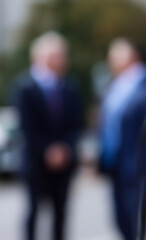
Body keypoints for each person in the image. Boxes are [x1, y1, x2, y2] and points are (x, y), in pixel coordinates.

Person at [15, 32, 84, 240]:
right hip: (36, 161)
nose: (61, 60)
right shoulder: (25, 87)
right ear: (40, 57)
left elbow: (76, 124)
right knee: (34, 211)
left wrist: (65, 149)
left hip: (64, 162)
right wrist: (47, 150)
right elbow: (26, 126)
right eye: (55, 55)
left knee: (60, 213)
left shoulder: (70, 87)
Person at [99, 38, 146, 240]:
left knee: (135, 217)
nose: (112, 60)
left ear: (133, 56)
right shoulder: (113, 85)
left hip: (137, 161)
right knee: (120, 218)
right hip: (114, 162)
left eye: (117, 54)